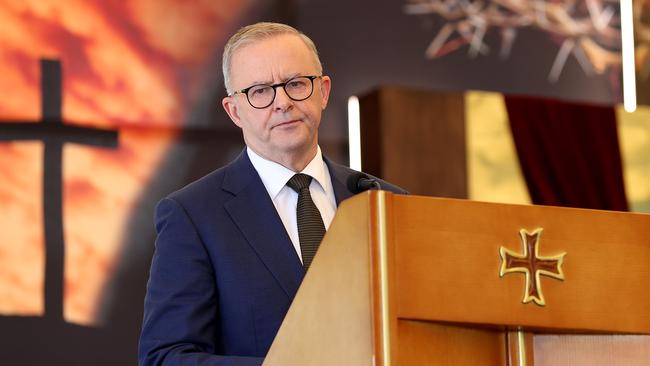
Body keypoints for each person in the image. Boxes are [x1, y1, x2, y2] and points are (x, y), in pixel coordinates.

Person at [138, 22, 406, 366]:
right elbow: (165, 358)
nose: (282, 103)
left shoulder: (384, 201)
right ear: (234, 111)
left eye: (296, 84)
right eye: (260, 91)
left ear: (322, 92)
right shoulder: (193, 215)